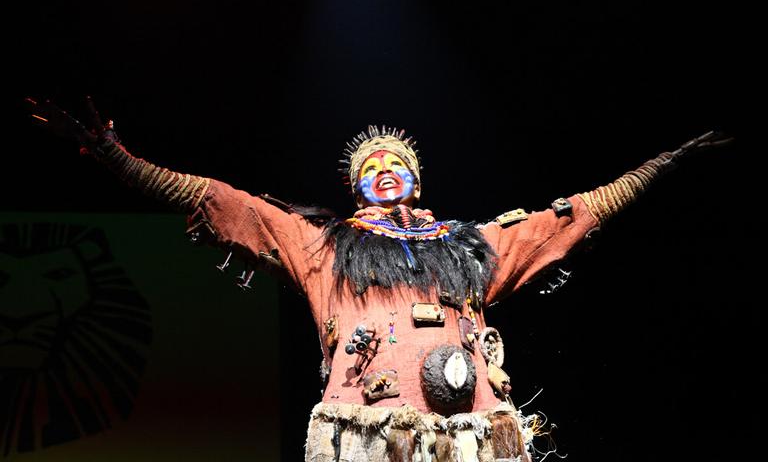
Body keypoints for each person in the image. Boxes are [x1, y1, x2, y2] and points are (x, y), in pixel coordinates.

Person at [25, 97, 729, 461]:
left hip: (472, 434)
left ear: (418, 178)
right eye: (372, 166)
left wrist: (654, 171)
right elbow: (223, 203)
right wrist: (121, 161)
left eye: (399, 164)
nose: (387, 170)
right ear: (357, 186)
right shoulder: (324, 247)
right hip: (368, 436)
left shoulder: (471, 245)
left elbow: (562, 221)